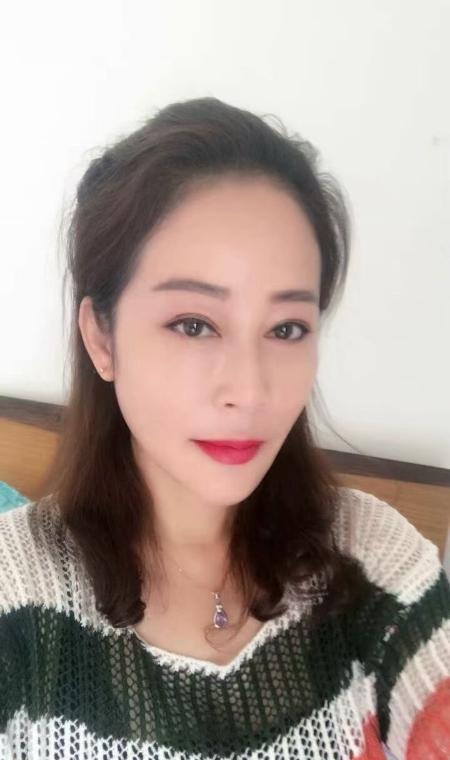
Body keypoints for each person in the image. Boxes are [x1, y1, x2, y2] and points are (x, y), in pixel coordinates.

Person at [1, 96, 449, 760]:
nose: (250, 390)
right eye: (194, 324)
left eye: (287, 328)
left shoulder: (373, 561)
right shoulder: (16, 596)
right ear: (102, 338)